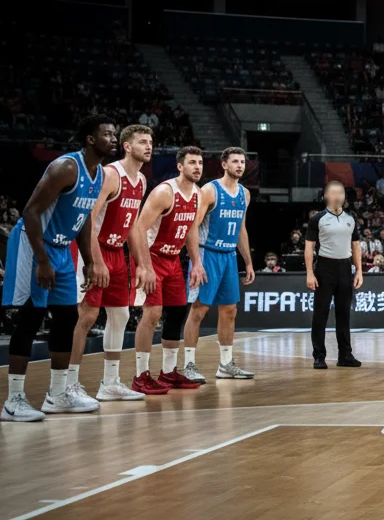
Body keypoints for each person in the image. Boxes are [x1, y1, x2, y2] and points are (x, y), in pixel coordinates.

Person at [3, 116, 115, 422]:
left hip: (63, 248)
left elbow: (84, 219)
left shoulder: (99, 173)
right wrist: (42, 260)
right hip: (34, 244)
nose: (113, 139)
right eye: (107, 134)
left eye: (114, 135)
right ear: (91, 139)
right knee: (31, 317)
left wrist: (90, 260)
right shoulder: (66, 167)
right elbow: (30, 212)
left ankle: (57, 395)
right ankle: (13, 400)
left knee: (67, 317)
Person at [69, 124, 154, 405]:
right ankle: (68, 384)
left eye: (150, 142)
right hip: (93, 249)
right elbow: (88, 221)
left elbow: (132, 227)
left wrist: (142, 263)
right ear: (127, 146)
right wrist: (94, 260)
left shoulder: (140, 181)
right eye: (142, 142)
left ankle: (110, 383)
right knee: (88, 315)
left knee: (121, 316)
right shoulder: (110, 175)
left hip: (117, 253)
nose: (148, 146)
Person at [129, 147, 205, 395]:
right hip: (151, 256)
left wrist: (197, 263)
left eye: (200, 163)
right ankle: (141, 375)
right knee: (152, 315)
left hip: (173, 259)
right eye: (192, 162)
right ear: (180, 166)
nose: (197, 167)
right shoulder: (164, 192)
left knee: (177, 313)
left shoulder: (197, 194)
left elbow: (191, 231)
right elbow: (138, 229)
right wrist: (145, 266)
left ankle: (169, 372)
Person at [184, 147, 256, 382]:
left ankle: (225, 364)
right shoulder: (209, 190)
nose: (240, 165)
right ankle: (189, 365)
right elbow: (192, 227)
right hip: (208, 255)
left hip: (229, 256)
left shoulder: (245, 194)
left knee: (229, 310)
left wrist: (248, 261)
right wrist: (196, 262)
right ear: (224, 164)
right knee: (199, 310)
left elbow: (242, 228)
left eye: (243, 162)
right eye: (235, 161)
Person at [305, 181, 362, 370]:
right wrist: (310, 273)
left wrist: (359, 271)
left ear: (345, 197)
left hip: (345, 268)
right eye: (334, 192)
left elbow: (355, 246)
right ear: (326, 196)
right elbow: (309, 246)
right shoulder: (318, 219)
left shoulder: (351, 218)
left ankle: (345, 355)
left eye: (341, 193)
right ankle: (319, 356)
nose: (338, 196)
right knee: (320, 314)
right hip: (324, 268)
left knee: (344, 314)